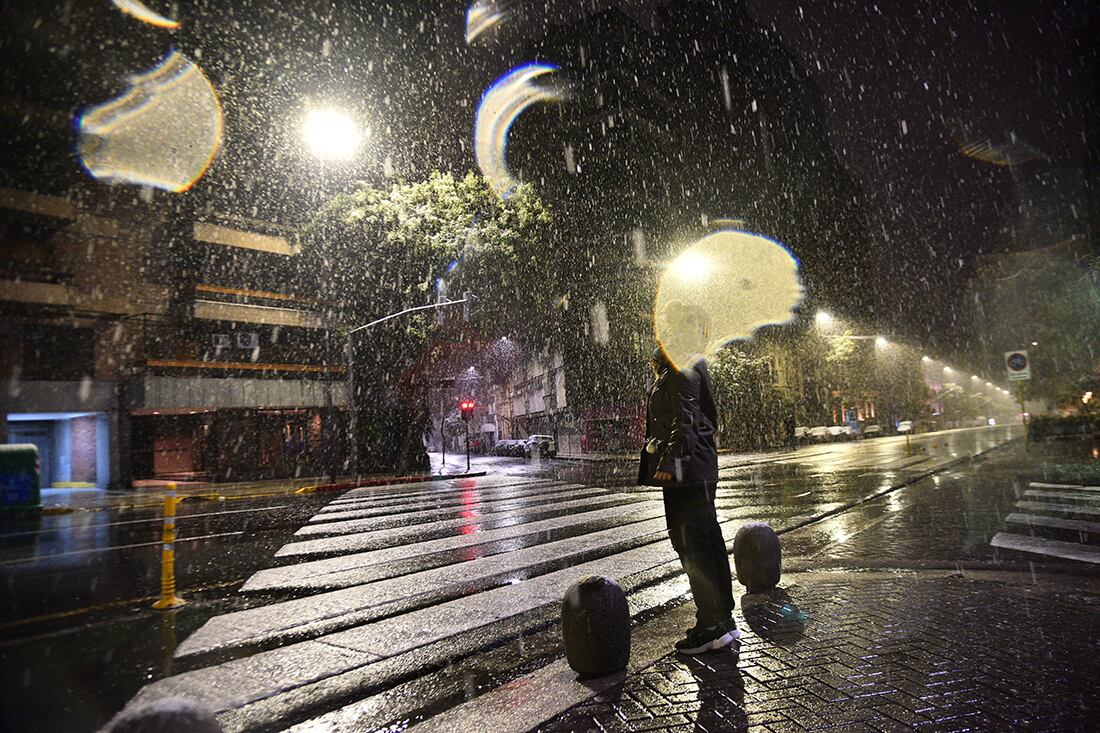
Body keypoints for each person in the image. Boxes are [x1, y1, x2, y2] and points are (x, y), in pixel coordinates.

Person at [639, 340, 738, 654]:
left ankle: (711, 625)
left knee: (693, 545)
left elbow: (686, 419)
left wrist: (670, 463)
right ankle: (722, 620)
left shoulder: (681, 362)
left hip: (688, 472)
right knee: (706, 541)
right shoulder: (684, 361)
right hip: (695, 468)